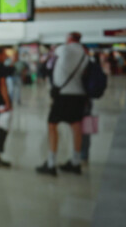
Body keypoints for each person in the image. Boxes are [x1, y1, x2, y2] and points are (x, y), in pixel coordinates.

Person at [36, 32, 89, 177]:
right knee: (76, 126)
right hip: (79, 95)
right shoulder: (85, 53)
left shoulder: (63, 49)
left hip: (63, 95)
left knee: (52, 125)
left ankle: (51, 163)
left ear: (70, 39)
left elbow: (49, 61)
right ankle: (76, 162)